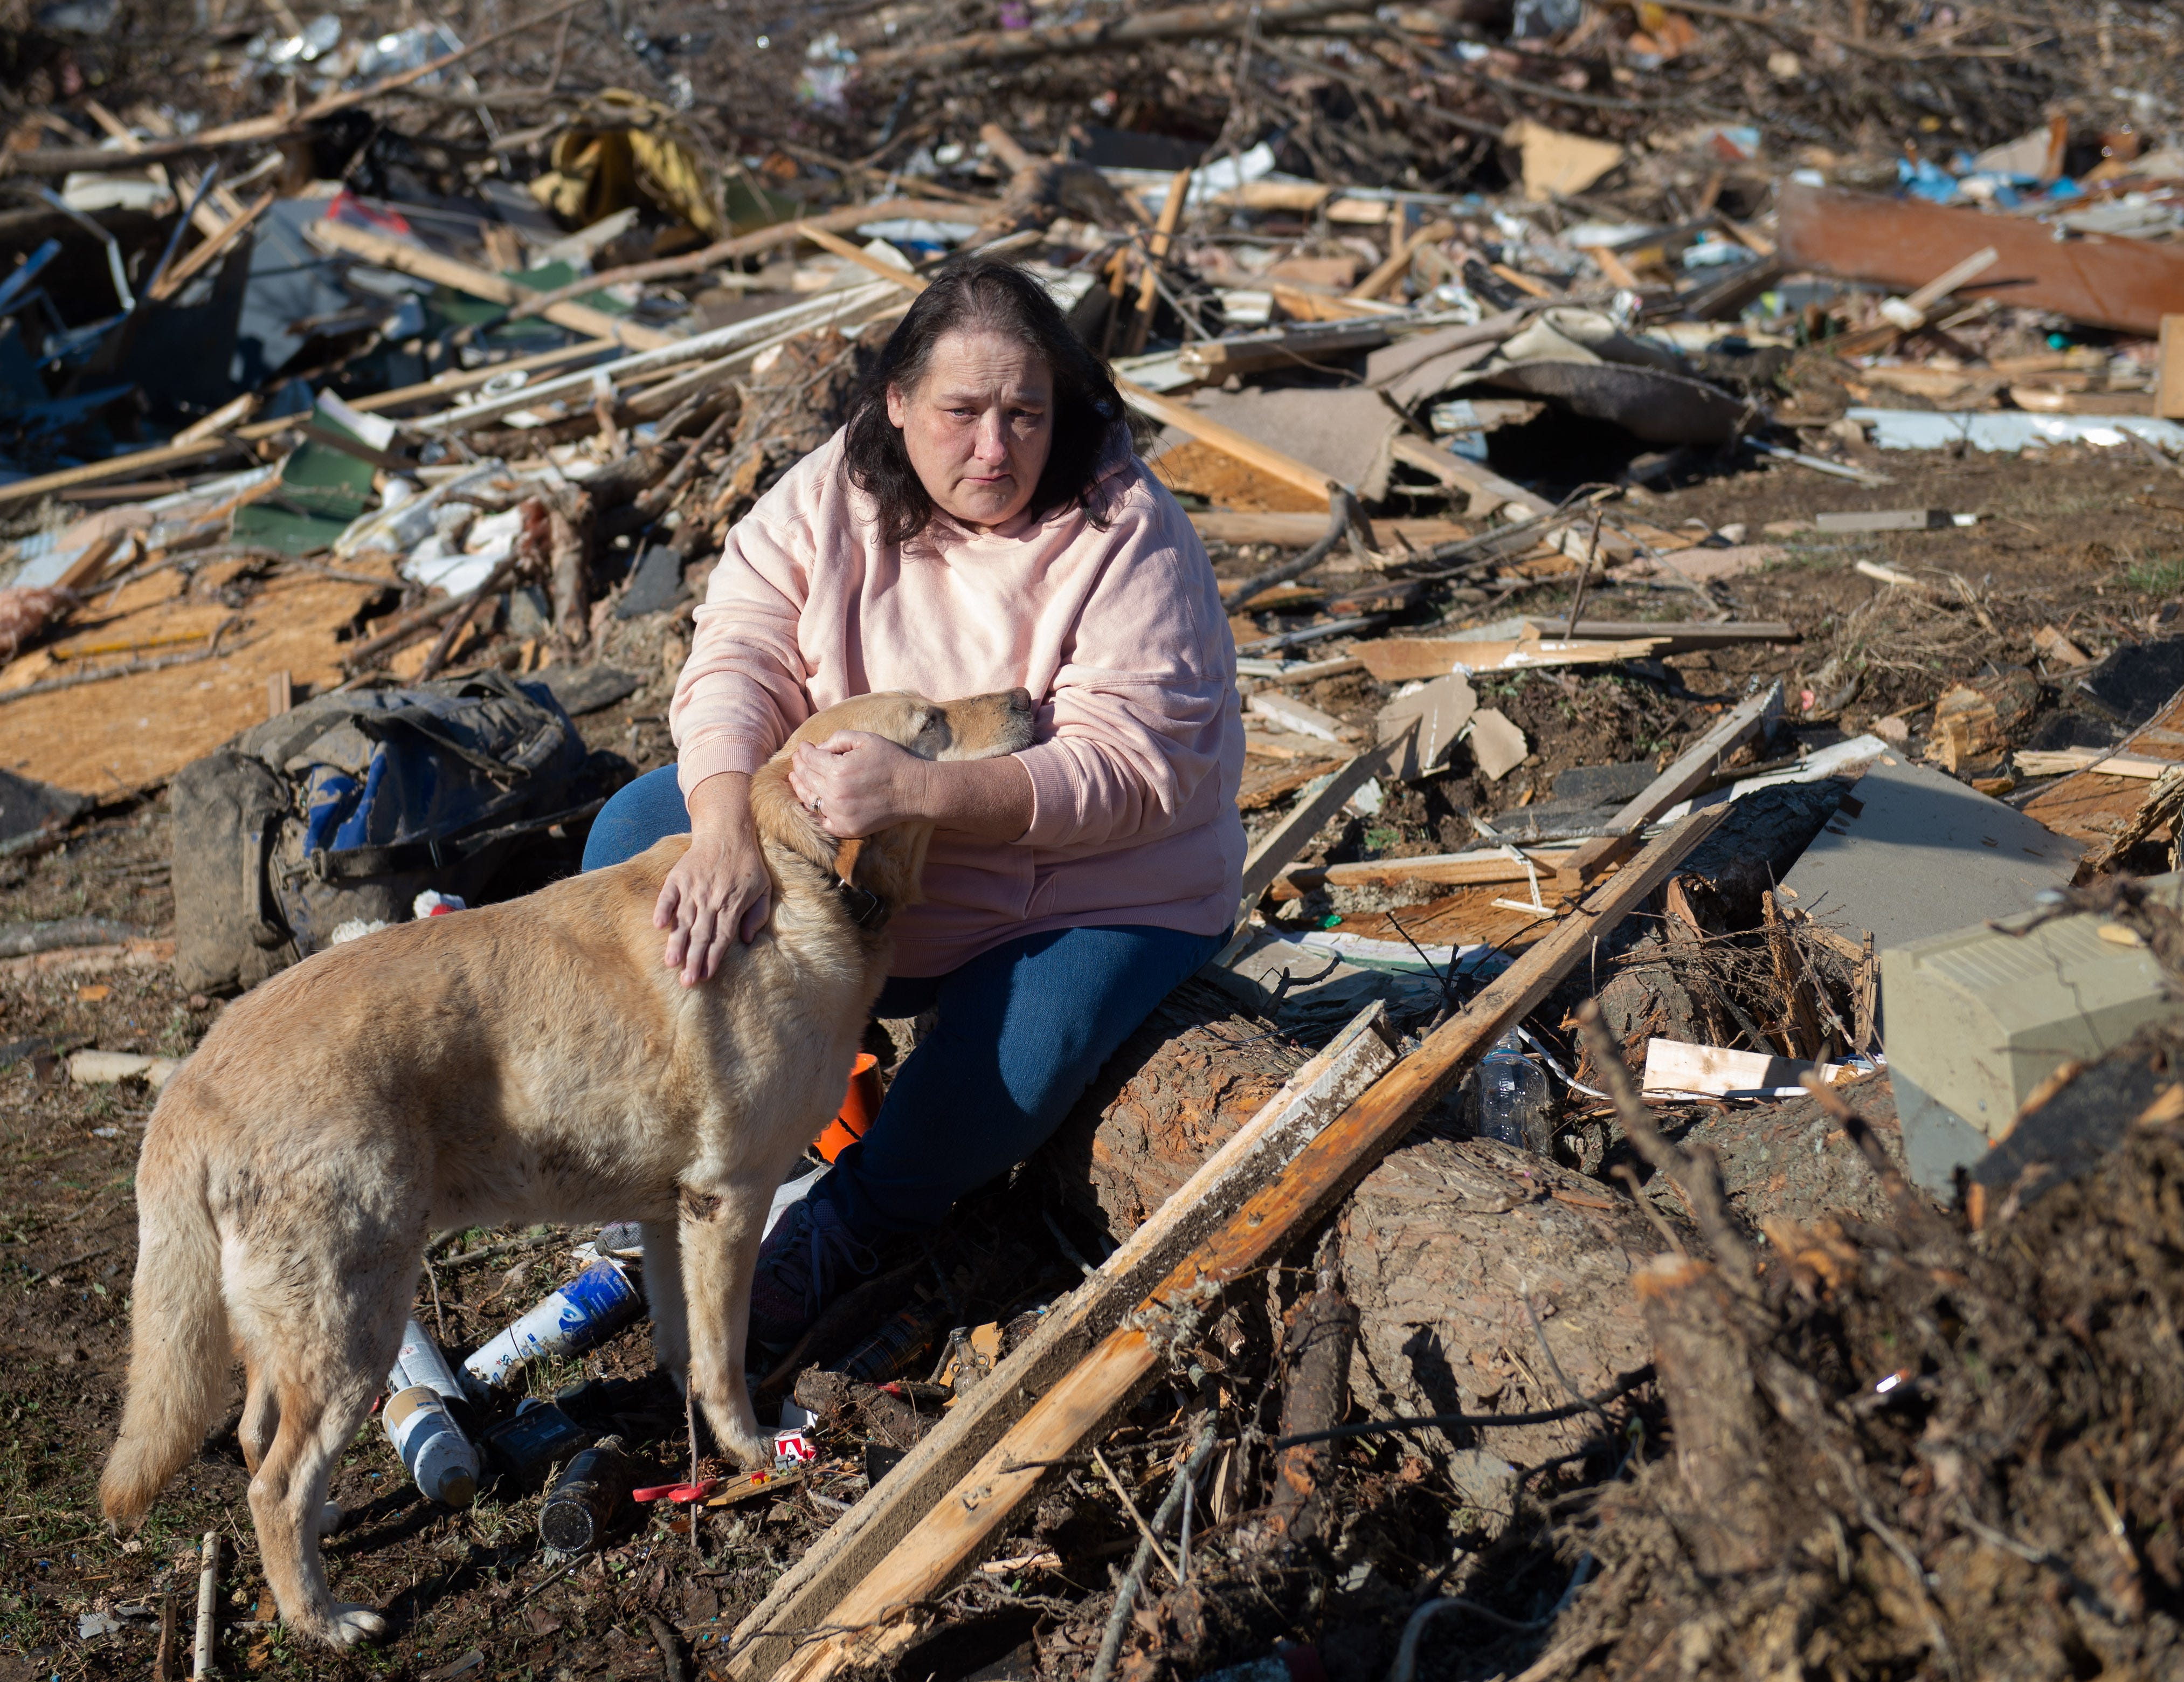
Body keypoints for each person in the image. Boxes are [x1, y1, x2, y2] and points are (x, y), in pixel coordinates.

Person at [581, 256, 1245, 1354]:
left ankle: (853, 1221)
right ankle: (719, 1131)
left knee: (1023, 1048)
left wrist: (923, 792)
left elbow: (1132, 769)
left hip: (1084, 880)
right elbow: (737, 651)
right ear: (896, 404)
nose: (995, 450)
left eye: (1026, 415)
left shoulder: (1128, 529)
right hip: (872, 848)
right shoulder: (834, 487)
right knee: (633, 839)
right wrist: (721, 825)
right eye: (962, 413)